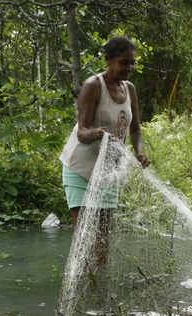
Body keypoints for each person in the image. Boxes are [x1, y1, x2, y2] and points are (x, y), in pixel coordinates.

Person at [59, 36, 151, 230]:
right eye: (123, 63)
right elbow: (82, 133)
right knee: (82, 234)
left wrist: (139, 152)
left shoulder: (129, 89)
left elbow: (135, 129)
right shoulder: (93, 86)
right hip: (81, 169)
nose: (129, 68)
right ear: (108, 60)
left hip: (109, 171)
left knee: (102, 236)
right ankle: (82, 263)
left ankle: (100, 263)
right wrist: (96, 133)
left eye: (132, 63)